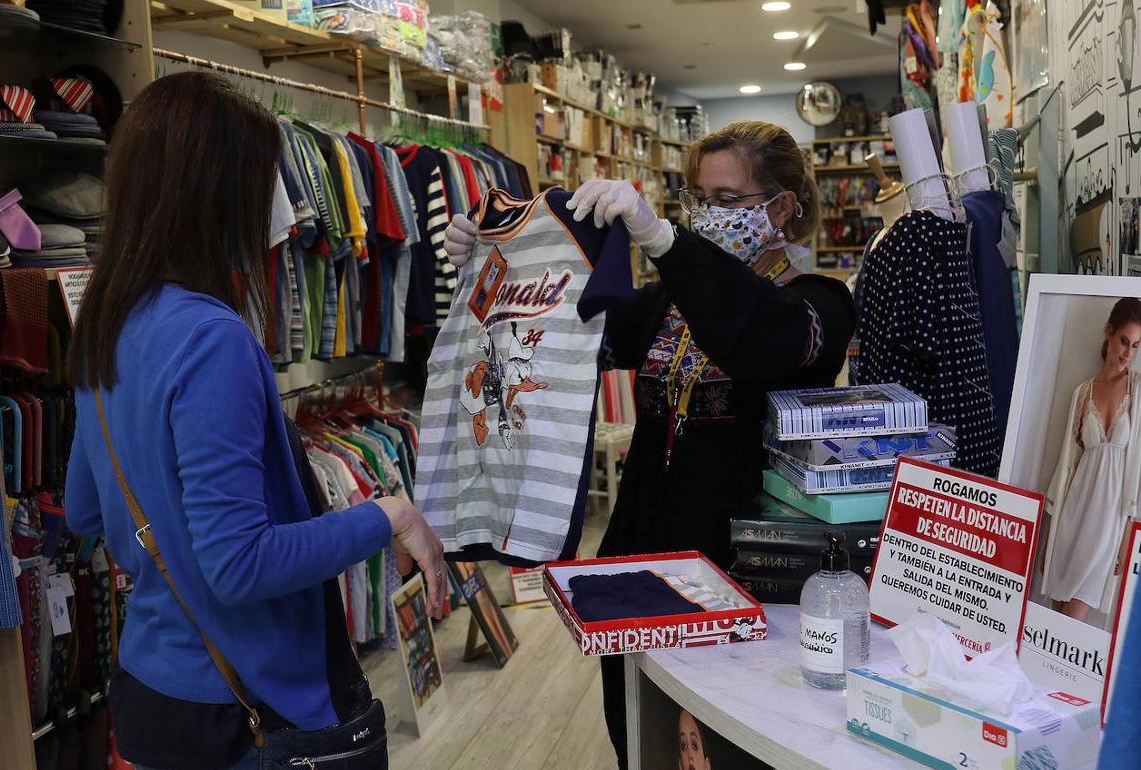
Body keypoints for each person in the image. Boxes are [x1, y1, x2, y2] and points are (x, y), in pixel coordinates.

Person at [64, 72, 447, 770]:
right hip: (246, 709)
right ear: (215, 195)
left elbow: (87, 510)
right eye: (261, 186)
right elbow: (239, 565)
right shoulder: (212, 337)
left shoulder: (104, 323)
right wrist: (386, 516)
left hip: (153, 692)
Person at [445, 120, 856, 766]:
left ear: (781, 207)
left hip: (745, 581)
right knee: (639, 735)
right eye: (699, 199)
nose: (709, 215)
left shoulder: (818, 305)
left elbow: (754, 338)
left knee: (722, 746)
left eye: (728, 200)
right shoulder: (665, 304)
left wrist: (664, 239)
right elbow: (556, 336)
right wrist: (489, 267)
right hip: (640, 566)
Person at [1043, 298, 1141, 622]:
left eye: (1136, 346)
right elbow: (1066, 464)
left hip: (1109, 521)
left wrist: (1128, 533)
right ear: (1108, 334)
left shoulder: (1138, 393)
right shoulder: (1083, 392)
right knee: (1055, 621)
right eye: (1124, 341)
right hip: (1074, 512)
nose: (1128, 353)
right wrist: (1051, 534)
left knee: (1071, 620)